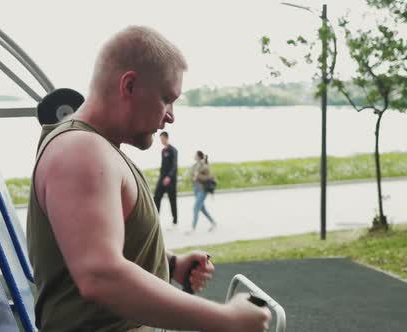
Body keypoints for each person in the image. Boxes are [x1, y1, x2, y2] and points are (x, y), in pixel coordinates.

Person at [27, 26, 271, 332]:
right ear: (129, 86)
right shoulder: (81, 151)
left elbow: (95, 247)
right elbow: (100, 275)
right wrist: (226, 320)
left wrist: (169, 264)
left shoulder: (95, 147)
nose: (170, 116)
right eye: (166, 98)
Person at [153, 131, 178, 229]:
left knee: (172, 200)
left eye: (162, 139)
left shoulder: (173, 150)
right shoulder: (163, 151)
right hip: (162, 179)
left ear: (166, 138)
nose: (161, 141)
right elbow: (163, 166)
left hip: (170, 181)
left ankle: (175, 221)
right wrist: (161, 177)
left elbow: (174, 166)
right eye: (160, 139)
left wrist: (169, 177)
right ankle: (155, 219)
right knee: (156, 197)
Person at [188, 151, 217, 234]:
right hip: (196, 189)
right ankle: (213, 222)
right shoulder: (194, 166)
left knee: (196, 208)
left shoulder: (204, 166)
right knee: (202, 209)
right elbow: (192, 176)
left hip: (203, 189)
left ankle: (193, 228)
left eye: (195, 154)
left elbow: (209, 177)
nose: (194, 156)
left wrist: (198, 176)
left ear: (199, 156)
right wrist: (193, 177)